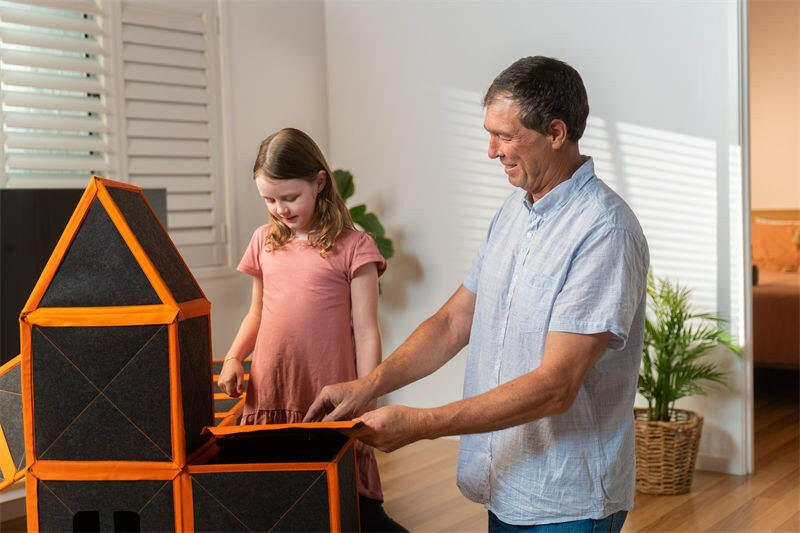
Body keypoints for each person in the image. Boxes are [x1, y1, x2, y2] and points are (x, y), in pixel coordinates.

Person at [304, 57, 650, 532]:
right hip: (507, 480)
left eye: (506, 136)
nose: (491, 151)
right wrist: (368, 386)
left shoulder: (603, 231)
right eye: (490, 134)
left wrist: (421, 425)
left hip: (567, 498)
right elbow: (453, 323)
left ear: (555, 132)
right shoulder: (513, 213)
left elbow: (556, 385)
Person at [217, 127, 405, 532]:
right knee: (277, 499)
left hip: (328, 392)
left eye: (289, 197)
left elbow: (367, 331)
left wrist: (366, 392)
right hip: (271, 388)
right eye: (269, 199)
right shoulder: (263, 241)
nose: (280, 209)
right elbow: (256, 313)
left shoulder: (355, 246)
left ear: (319, 182)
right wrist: (234, 357)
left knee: (350, 504)